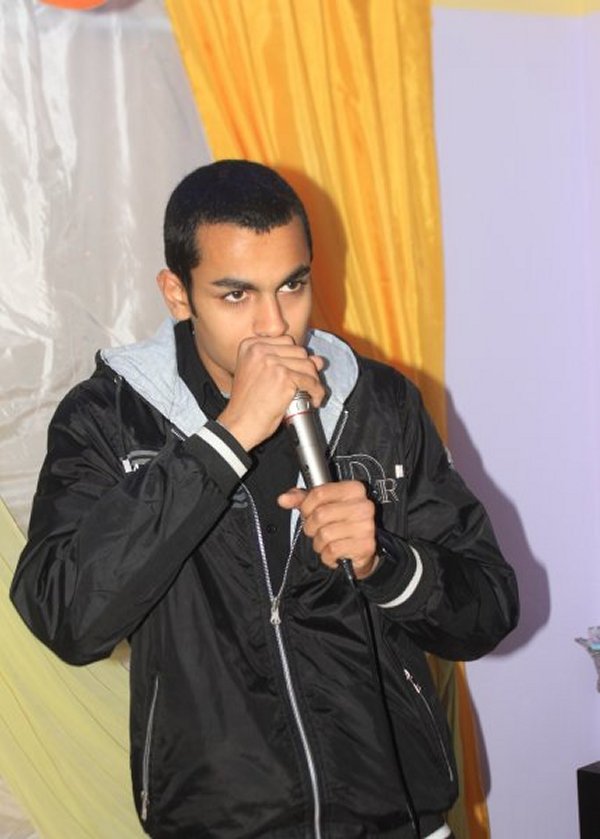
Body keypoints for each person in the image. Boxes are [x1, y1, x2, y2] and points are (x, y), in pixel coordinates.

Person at [11, 160, 519, 839]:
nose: (275, 325)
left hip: (394, 816)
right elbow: (67, 617)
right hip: (217, 821)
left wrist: (386, 563)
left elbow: (488, 610)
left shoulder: (377, 402)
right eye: (236, 295)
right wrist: (225, 440)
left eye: (292, 286)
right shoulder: (108, 418)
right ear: (177, 293)